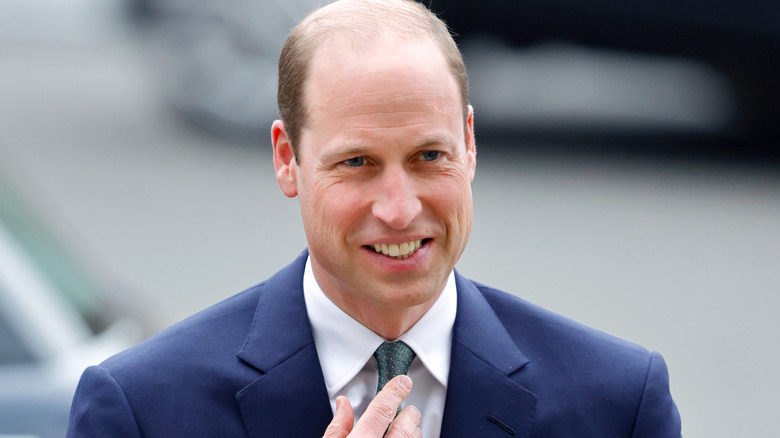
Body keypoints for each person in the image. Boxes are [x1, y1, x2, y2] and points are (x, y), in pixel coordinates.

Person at [66, 0, 682, 436]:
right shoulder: (143, 411)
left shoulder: (616, 403)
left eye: (429, 156)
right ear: (288, 159)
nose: (398, 208)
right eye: (357, 162)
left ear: (470, 145)